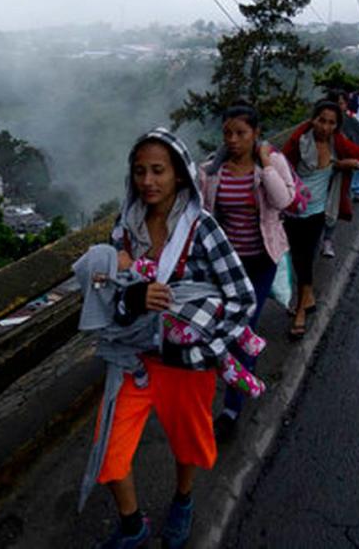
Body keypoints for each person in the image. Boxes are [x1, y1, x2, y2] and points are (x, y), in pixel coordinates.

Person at [91, 128, 256, 549]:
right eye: (140, 171)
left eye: (158, 171)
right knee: (109, 453)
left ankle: (183, 500)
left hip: (186, 364)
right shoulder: (125, 228)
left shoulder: (202, 229)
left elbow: (241, 295)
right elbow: (107, 292)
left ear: (180, 175)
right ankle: (134, 527)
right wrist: (131, 294)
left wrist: (213, 345)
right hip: (134, 361)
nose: (148, 181)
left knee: (187, 442)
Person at [198, 100, 295, 440]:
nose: (234, 140)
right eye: (228, 134)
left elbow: (284, 201)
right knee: (223, 330)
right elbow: (200, 211)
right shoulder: (212, 172)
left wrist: (266, 163)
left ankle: (232, 407)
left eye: (241, 133)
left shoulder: (273, 164)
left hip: (261, 260)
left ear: (256, 134)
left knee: (242, 329)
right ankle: (234, 384)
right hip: (226, 267)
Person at [281, 102, 359, 338]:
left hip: (318, 212)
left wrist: (352, 163)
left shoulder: (338, 144)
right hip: (293, 211)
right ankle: (309, 296)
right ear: (313, 119)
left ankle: (301, 310)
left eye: (331, 122)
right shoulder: (299, 143)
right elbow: (280, 165)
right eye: (321, 120)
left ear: (337, 126)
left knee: (305, 257)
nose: (325, 127)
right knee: (297, 258)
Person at [320, 90, 359, 259]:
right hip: (318, 173)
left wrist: (349, 161)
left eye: (341, 104)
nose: (339, 108)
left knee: (334, 206)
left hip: (340, 174)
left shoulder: (352, 124)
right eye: (336, 104)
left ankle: (327, 240)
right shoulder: (318, 125)